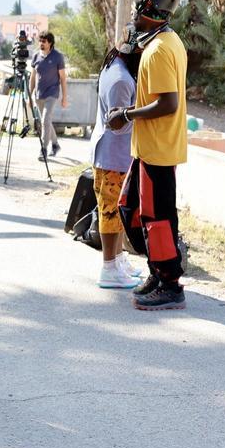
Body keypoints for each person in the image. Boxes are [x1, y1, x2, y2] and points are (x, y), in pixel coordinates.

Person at [106, 0, 188, 311]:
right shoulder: (165, 41)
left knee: (158, 217)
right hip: (151, 147)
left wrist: (125, 114)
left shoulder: (158, 50)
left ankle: (170, 283)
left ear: (148, 5)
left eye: (137, 3)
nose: (133, 11)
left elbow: (168, 103)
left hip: (158, 148)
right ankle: (157, 271)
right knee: (132, 208)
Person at [90, 35, 143, 289]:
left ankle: (118, 260)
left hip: (114, 154)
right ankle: (108, 266)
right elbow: (119, 124)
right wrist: (144, 113)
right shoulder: (121, 80)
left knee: (118, 212)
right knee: (110, 212)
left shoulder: (115, 67)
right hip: (113, 154)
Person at [30, 31, 67, 161]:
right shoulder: (35, 56)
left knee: (45, 120)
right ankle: (55, 144)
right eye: (40, 41)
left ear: (50, 43)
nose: (41, 43)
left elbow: (63, 78)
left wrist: (64, 97)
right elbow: (33, 77)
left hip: (52, 93)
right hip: (39, 94)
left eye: (44, 41)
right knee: (46, 122)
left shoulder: (57, 57)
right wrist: (30, 94)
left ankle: (43, 149)